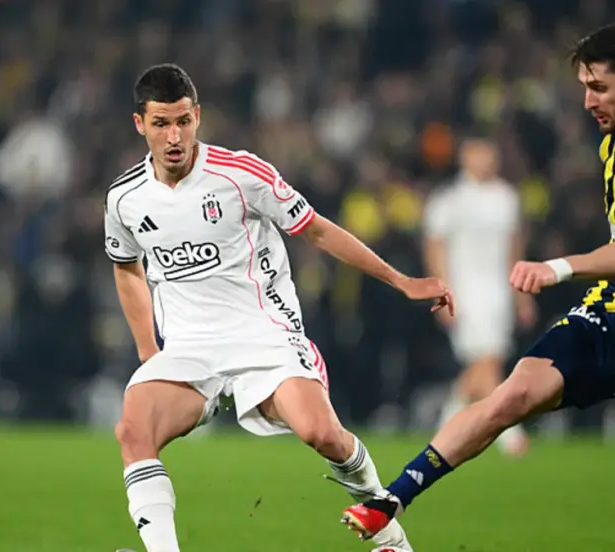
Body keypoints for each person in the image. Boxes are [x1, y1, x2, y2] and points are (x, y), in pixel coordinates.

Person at [339, 24, 615, 552]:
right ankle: (390, 501)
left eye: (600, 88)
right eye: (585, 87)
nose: (588, 101)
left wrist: (556, 268)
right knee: (513, 393)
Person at [105, 63, 453, 552]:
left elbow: (317, 229)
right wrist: (149, 351)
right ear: (140, 124)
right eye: (161, 124)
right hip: (189, 348)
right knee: (133, 430)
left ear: (197, 116)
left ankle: (388, 532)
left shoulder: (241, 174)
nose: (174, 136)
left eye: (183, 121)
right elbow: (126, 267)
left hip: (264, 336)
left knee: (322, 433)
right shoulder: (124, 198)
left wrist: (401, 280)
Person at [422, 137, 535, 454]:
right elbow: (434, 247)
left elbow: (514, 248)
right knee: (488, 360)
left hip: (498, 291)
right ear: (465, 158)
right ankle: (511, 434)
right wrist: (441, 291)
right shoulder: (449, 200)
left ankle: (447, 423)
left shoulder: (506, 198)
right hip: (464, 290)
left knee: (485, 361)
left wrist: (520, 295)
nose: (485, 160)